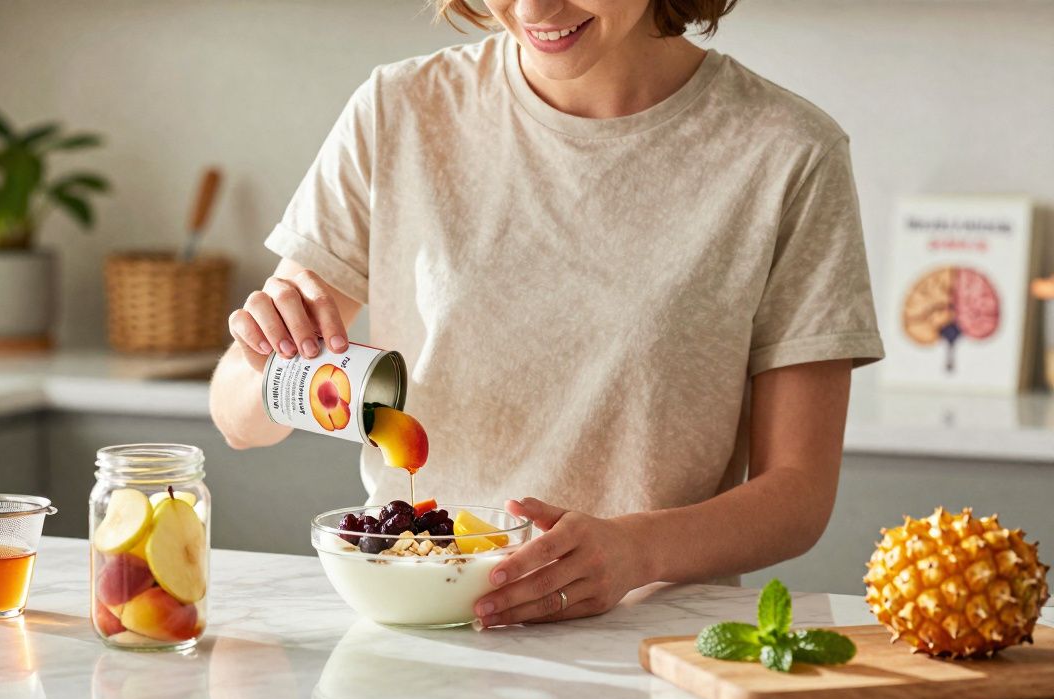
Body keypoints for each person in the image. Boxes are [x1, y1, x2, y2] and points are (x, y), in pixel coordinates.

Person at [209, 0, 883, 628]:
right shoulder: (399, 112)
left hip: (648, 644)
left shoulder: (789, 153)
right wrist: (267, 364)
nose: (533, 9)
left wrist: (636, 551)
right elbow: (236, 414)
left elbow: (797, 492)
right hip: (420, 635)